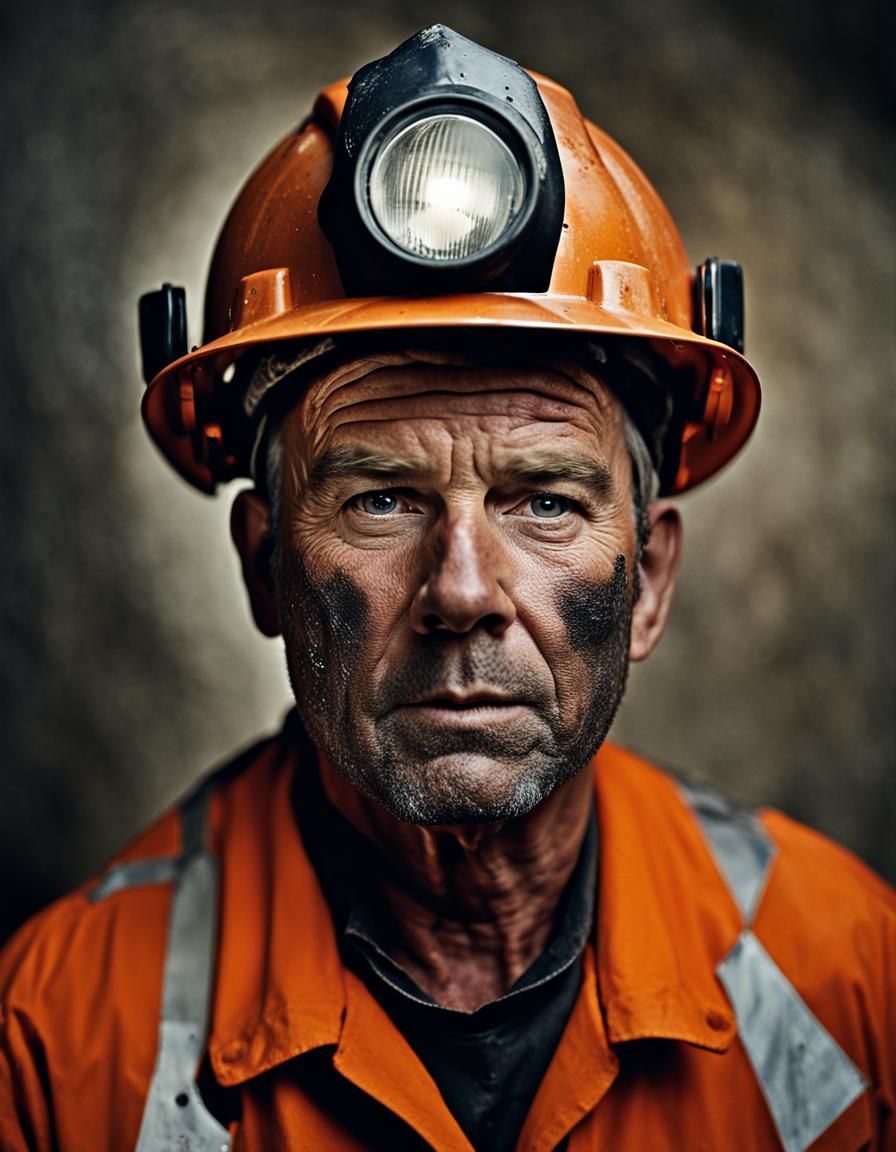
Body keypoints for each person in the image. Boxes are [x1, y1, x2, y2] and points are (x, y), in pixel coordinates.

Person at [0, 24, 892, 1152]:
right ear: (265, 567)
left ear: (649, 578)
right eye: (381, 499)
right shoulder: (59, 1040)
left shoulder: (850, 976)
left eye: (544, 501)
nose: (462, 591)